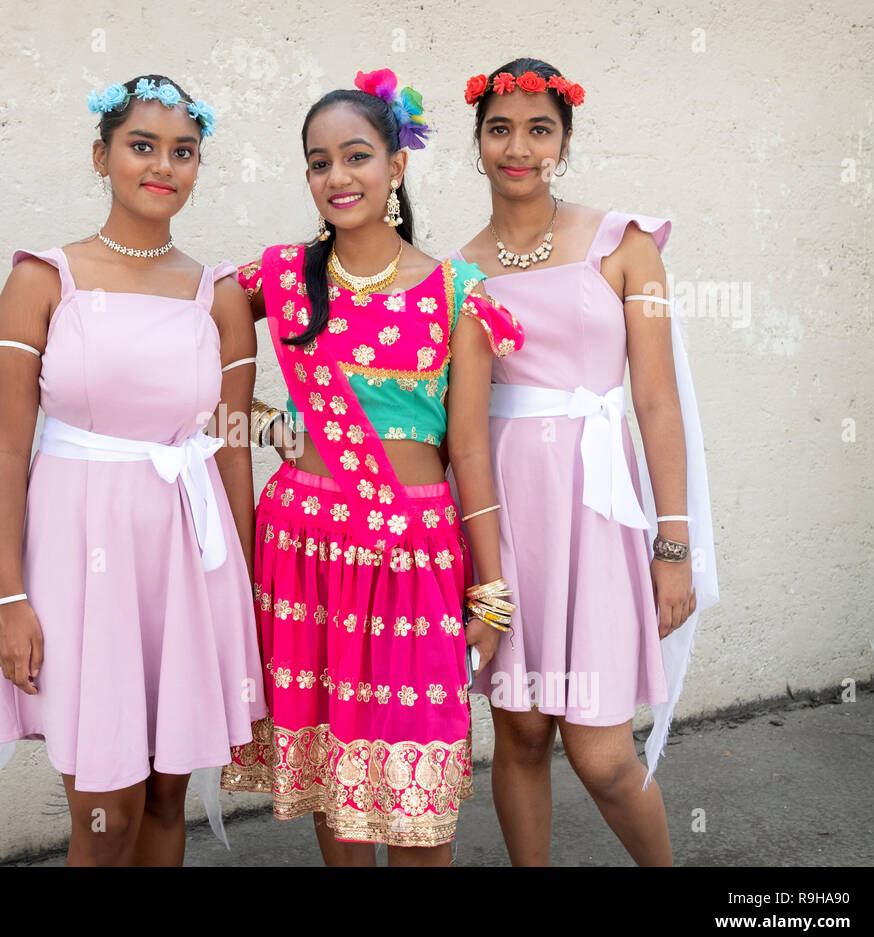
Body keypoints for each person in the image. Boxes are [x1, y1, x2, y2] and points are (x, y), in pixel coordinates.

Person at [0, 74, 266, 865]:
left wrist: (248, 592)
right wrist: (10, 598)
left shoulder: (217, 296)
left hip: (187, 563)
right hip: (81, 567)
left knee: (164, 798)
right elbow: (10, 451)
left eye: (183, 152)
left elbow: (229, 444)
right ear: (101, 156)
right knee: (105, 811)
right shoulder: (44, 281)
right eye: (142, 146)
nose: (164, 166)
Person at [220, 68, 524, 865]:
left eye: (356, 156)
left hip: (411, 549)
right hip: (303, 544)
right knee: (337, 771)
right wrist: (266, 425)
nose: (337, 177)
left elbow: (468, 453)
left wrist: (488, 592)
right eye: (319, 162)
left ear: (397, 164)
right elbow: (204, 316)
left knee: (417, 783)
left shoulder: (459, 293)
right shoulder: (282, 277)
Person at [451, 58, 719, 865]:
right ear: (478, 143)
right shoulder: (460, 272)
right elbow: (457, 426)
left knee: (602, 756)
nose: (519, 147)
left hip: (600, 519)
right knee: (522, 734)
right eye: (501, 129)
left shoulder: (626, 245)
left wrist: (673, 548)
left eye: (539, 129)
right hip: (507, 520)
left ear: (563, 141)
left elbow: (657, 403)